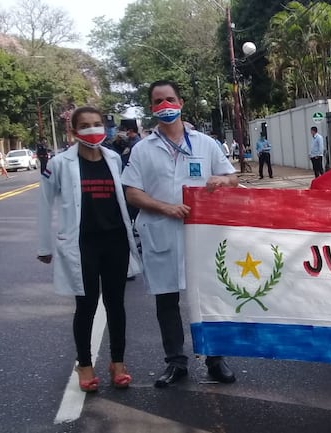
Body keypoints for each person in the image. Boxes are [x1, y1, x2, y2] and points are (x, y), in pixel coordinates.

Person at [122, 80, 239, 388]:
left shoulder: (205, 143)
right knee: (166, 302)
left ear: (181, 102)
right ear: (151, 108)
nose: (165, 105)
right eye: (158, 101)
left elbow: (233, 178)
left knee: (210, 298)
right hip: (161, 232)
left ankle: (216, 360)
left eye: (169, 99)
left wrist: (220, 181)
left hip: (202, 236)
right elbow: (132, 192)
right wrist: (164, 208)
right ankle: (176, 362)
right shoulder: (142, 150)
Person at [37, 106, 142, 393]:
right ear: (73, 132)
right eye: (84, 125)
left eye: (97, 124)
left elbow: (128, 197)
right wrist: (44, 245)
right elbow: (45, 203)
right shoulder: (59, 163)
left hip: (115, 240)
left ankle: (118, 362)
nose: (92, 129)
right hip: (82, 244)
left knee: (116, 303)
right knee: (86, 306)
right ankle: (84, 363)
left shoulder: (114, 159)